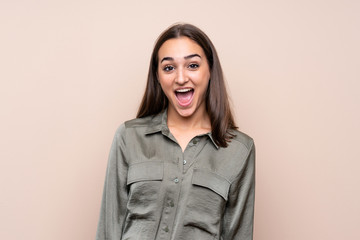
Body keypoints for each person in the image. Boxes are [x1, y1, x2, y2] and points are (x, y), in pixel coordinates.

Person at [96, 23, 255, 240]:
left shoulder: (239, 150)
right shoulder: (128, 137)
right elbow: (108, 231)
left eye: (192, 65)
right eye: (169, 68)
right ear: (158, 77)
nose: (181, 78)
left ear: (210, 70)